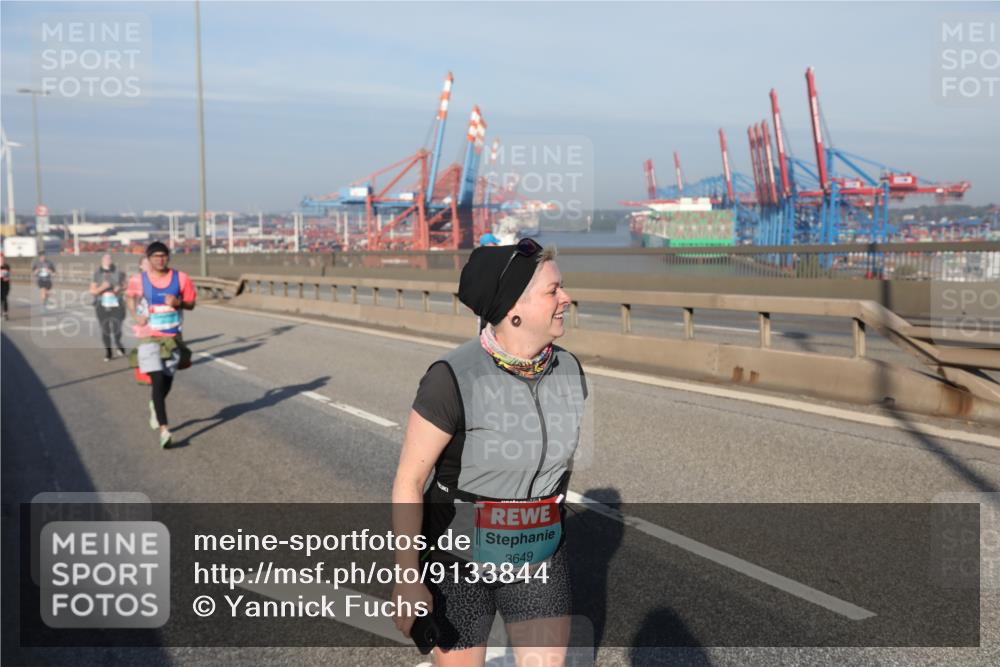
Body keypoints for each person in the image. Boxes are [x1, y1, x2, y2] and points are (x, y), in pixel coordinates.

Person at [392, 238, 587, 666]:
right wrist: (408, 576)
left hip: (538, 555)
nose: (566, 298)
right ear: (514, 310)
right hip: (458, 559)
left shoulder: (570, 370)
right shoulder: (451, 378)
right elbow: (408, 480)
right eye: (553, 291)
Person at [125, 241, 196, 448]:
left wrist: (178, 303)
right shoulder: (139, 279)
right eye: (155, 256)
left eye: (163, 255)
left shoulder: (181, 278)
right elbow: (130, 297)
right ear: (148, 259)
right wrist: (135, 315)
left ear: (168, 257)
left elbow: (191, 304)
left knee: (167, 379)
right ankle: (164, 430)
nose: (159, 259)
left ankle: (155, 405)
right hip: (148, 336)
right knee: (156, 379)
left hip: (172, 336)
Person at [89, 253, 127, 361]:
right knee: (105, 330)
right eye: (105, 258)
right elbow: (92, 291)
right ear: (102, 260)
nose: (107, 260)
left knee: (117, 329)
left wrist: (119, 288)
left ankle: (118, 343)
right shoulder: (97, 273)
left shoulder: (118, 272)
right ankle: (108, 352)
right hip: (102, 305)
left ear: (111, 260)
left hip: (117, 304)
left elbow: (126, 285)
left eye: (109, 258)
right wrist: (102, 287)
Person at [1, 252, 10, 320]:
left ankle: (5, 313)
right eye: (1, 259)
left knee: (5, 298)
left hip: (5, 285)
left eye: (3, 258)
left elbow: (8, 276)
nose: (2, 260)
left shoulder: (7, 266)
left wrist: (6, 277)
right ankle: (2, 312)